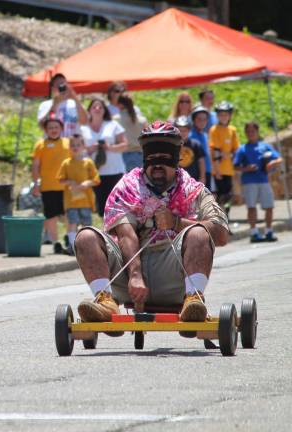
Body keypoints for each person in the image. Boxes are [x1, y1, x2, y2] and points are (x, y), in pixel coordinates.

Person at [73, 120, 229, 324]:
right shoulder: (126, 187)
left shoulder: (194, 190)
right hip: (129, 272)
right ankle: (105, 301)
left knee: (199, 232)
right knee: (85, 236)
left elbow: (221, 234)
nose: (157, 165)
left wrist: (176, 223)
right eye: (151, 157)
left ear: (176, 159)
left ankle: (193, 299)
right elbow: (125, 234)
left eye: (164, 158)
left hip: (174, 272)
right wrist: (135, 275)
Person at [233, 121, 283, 243]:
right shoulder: (242, 149)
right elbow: (235, 166)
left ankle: (269, 231)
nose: (251, 134)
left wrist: (272, 163)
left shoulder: (265, 146)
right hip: (249, 181)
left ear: (257, 132)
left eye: (253, 131)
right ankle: (254, 233)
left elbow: (279, 158)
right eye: (248, 131)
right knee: (251, 207)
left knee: (269, 207)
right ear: (245, 133)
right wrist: (246, 169)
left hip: (264, 180)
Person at [81, 97, 128, 217]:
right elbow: (78, 149)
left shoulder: (113, 125)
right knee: (100, 208)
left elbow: (124, 145)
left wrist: (109, 147)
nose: (97, 109)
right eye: (94, 106)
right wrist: (91, 148)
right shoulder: (83, 129)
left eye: (100, 107)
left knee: (116, 206)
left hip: (114, 170)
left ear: (104, 110)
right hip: (94, 173)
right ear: (89, 110)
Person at [32, 117, 70, 254]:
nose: (53, 130)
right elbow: (35, 165)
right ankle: (56, 243)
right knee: (51, 216)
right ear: (46, 130)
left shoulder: (68, 143)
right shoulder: (40, 145)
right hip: (48, 186)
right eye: (50, 128)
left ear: (61, 129)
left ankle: (69, 238)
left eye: (56, 127)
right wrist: (35, 184)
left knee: (68, 215)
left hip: (66, 187)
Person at [57, 134, 100, 255]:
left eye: (78, 145)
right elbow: (60, 179)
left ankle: (89, 245)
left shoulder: (88, 163)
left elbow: (96, 179)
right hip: (71, 200)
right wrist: (69, 182)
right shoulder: (66, 163)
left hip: (85, 200)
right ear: (69, 147)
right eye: (73, 145)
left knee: (86, 223)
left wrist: (87, 183)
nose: (75, 147)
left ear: (83, 147)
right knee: (72, 222)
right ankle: (72, 246)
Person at [209, 101, 240, 218]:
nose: (223, 117)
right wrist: (216, 170)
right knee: (220, 196)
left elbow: (235, 149)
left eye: (226, 114)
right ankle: (220, 220)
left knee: (228, 196)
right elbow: (215, 151)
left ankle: (227, 218)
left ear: (230, 115)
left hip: (229, 169)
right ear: (217, 116)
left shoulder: (232, 130)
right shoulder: (214, 129)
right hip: (218, 170)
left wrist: (229, 155)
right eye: (221, 114)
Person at [37, 73, 87, 138]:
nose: (62, 87)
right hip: (53, 145)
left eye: (64, 84)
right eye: (59, 85)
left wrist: (74, 97)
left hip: (72, 146)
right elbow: (42, 125)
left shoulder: (75, 104)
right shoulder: (46, 105)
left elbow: (84, 122)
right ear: (52, 88)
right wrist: (55, 104)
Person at [113, 94, 147, 172]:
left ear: (120, 105)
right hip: (140, 155)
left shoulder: (116, 119)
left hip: (123, 155)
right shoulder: (142, 120)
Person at [175, 116, 206, 185]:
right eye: (180, 130)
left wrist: (202, 177)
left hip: (193, 179)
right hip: (176, 180)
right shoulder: (172, 146)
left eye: (185, 130)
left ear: (189, 131)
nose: (182, 133)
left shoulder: (195, 144)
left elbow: (201, 162)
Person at [189, 105, 213, 191]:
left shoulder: (205, 135)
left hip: (208, 171)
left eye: (204, 119)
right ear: (194, 120)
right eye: (199, 119)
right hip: (196, 173)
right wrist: (201, 176)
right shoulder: (190, 136)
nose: (202, 122)